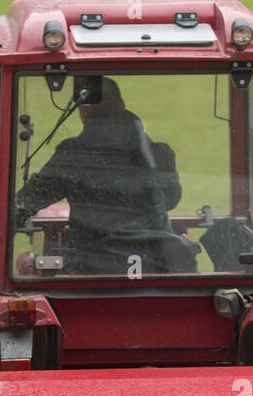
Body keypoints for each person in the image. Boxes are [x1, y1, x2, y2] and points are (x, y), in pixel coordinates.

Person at [16, 77, 193, 273]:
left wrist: (8, 221)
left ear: (82, 113)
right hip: (158, 264)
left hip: (92, 269)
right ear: (122, 105)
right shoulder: (160, 154)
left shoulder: (72, 155)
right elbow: (171, 200)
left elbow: (30, 200)